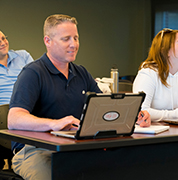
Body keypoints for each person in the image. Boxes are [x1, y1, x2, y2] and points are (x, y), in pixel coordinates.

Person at [7, 14, 149, 180]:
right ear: (48, 41)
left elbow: (104, 107)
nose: (73, 44)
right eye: (66, 39)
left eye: (76, 38)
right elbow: (14, 118)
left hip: (75, 147)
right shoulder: (33, 73)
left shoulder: (81, 73)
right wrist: (54, 124)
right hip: (36, 150)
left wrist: (134, 116)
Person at [0, 31, 33, 105]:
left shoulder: (23, 56)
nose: (3, 43)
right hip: (4, 109)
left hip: (28, 105)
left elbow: (36, 82)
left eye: (4, 38)